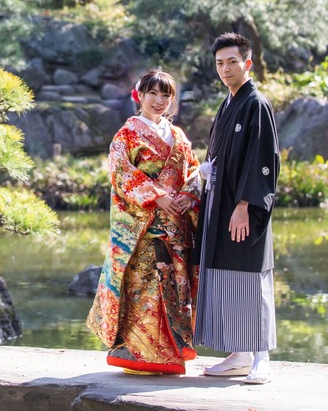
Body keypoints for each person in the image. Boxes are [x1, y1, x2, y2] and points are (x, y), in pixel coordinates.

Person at [87, 69, 201, 375]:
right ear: (140, 95)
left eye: (166, 95)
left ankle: (168, 355)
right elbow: (120, 172)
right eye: (153, 93)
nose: (159, 100)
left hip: (175, 225)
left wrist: (188, 197)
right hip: (144, 227)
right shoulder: (127, 134)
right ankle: (138, 354)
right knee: (144, 289)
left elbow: (193, 169)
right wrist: (156, 195)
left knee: (172, 289)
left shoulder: (177, 136)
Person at [194, 32, 280, 385]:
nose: (226, 69)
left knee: (249, 273)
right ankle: (240, 353)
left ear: (248, 63)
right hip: (221, 202)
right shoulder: (229, 103)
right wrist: (207, 168)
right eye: (220, 63)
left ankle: (262, 357)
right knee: (228, 274)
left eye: (232, 62)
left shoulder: (255, 103)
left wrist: (245, 203)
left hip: (242, 205)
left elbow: (263, 158)